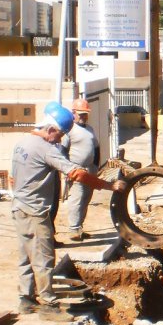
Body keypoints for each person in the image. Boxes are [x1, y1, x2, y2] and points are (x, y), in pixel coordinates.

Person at [11, 101, 124, 321]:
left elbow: (12, 177)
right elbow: (77, 174)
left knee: (25, 255)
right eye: (60, 134)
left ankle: (26, 299)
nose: (60, 139)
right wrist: (108, 186)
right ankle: (48, 305)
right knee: (44, 257)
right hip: (35, 211)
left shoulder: (22, 143)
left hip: (19, 207)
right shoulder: (45, 149)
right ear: (50, 129)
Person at [61, 98, 100, 242]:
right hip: (76, 170)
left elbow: (96, 148)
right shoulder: (69, 130)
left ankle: (79, 228)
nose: (83, 116)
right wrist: (68, 169)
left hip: (90, 170)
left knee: (85, 199)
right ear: (74, 113)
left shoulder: (90, 129)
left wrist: (95, 167)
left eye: (85, 114)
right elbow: (63, 151)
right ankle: (73, 229)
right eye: (81, 114)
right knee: (77, 199)